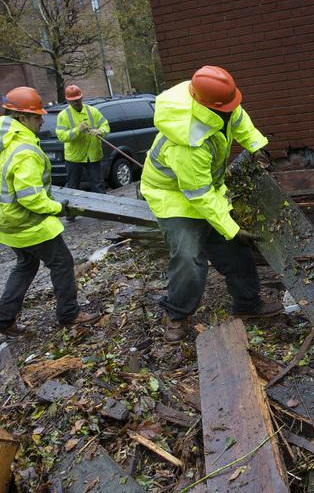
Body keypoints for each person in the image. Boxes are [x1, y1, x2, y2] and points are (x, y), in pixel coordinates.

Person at [140, 65, 283, 342]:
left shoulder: (222, 107)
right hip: (174, 198)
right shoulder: (187, 142)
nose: (233, 109)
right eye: (227, 106)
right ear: (209, 107)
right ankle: (177, 315)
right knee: (189, 258)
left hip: (205, 189)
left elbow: (239, 119)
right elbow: (199, 196)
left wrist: (256, 147)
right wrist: (231, 227)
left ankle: (248, 304)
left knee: (234, 249)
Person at [0, 86, 99, 338]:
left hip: (3, 221)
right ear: (22, 118)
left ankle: (2, 319)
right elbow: (30, 197)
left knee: (26, 264)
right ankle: (69, 314)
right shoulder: (23, 150)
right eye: (37, 116)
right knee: (62, 262)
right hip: (27, 223)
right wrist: (57, 208)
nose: (42, 120)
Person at [56, 85, 110, 202]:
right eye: (73, 101)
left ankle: (102, 209)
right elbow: (61, 136)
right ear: (68, 101)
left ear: (82, 98)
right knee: (73, 187)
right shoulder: (63, 116)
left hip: (93, 155)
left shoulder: (93, 111)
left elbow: (105, 125)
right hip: (75, 158)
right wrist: (77, 130)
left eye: (78, 100)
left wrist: (101, 131)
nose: (76, 102)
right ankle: (70, 214)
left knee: (98, 185)